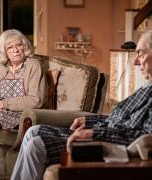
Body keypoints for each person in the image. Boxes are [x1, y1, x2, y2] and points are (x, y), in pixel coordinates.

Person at [11, 30, 152, 180]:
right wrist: (89, 121)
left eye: (141, 54)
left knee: (36, 144)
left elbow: (144, 137)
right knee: (33, 131)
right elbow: (118, 119)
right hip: (104, 133)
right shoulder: (146, 87)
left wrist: (93, 133)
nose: (136, 61)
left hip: (108, 144)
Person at [0, 29, 46, 179]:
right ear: (4, 51)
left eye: (18, 45)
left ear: (24, 46)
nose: (16, 50)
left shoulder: (33, 65)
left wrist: (3, 103)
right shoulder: (1, 67)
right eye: (10, 47)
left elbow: (35, 100)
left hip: (19, 115)